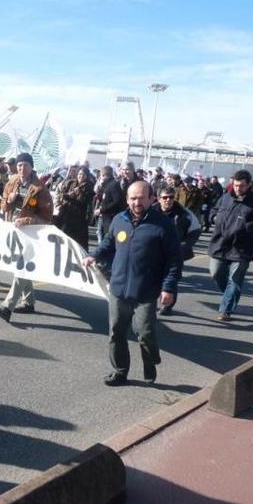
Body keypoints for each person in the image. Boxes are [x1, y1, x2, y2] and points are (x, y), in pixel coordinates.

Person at [84, 181, 181, 386]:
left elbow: (174, 259)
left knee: (145, 333)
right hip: (118, 288)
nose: (137, 202)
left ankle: (150, 361)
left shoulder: (163, 224)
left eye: (141, 198)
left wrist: (168, 287)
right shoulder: (119, 220)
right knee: (116, 332)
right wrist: (94, 255)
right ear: (127, 199)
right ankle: (119, 370)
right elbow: (109, 243)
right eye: (133, 198)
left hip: (146, 290)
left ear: (151, 198)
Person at [0, 153, 53, 322]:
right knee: (21, 266)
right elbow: (3, 206)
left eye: (25, 165)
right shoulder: (11, 183)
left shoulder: (40, 189)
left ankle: (7, 306)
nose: (21, 168)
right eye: (19, 165)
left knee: (22, 267)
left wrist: (28, 220)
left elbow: (47, 217)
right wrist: (9, 200)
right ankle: (29, 302)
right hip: (13, 232)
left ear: (32, 167)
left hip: (31, 235)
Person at [208, 169, 253, 321]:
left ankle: (225, 310)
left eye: (241, 186)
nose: (237, 188)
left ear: (249, 185)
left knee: (235, 280)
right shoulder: (225, 198)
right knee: (215, 272)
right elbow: (213, 211)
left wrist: (246, 225)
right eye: (235, 185)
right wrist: (214, 217)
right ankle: (229, 295)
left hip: (242, 248)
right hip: (220, 244)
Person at [155, 186, 201, 315]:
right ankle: (151, 302)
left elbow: (195, 229)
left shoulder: (184, 213)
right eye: (165, 197)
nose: (168, 200)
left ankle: (168, 305)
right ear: (159, 199)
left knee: (171, 279)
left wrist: (184, 246)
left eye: (171, 197)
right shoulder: (151, 211)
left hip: (175, 253)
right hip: (154, 252)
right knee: (152, 279)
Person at [55, 166, 94, 250]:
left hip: (79, 217)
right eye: (80, 174)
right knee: (63, 235)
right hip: (66, 213)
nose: (81, 176)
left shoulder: (89, 187)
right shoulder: (70, 183)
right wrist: (67, 196)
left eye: (83, 175)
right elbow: (61, 194)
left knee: (77, 240)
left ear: (87, 176)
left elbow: (89, 203)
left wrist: (89, 216)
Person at [94, 165, 125, 243]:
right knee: (100, 234)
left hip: (109, 216)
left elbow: (116, 201)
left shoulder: (113, 185)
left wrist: (102, 209)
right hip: (103, 215)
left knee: (106, 237)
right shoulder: (106, 185)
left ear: (103, 175)